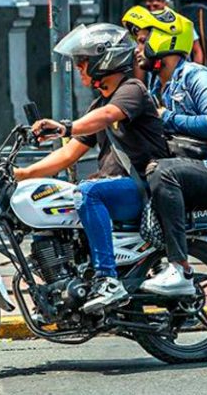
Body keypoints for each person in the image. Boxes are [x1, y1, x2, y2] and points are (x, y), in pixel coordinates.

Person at [13, 23, 169, 312]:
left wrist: (65, 127)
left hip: (141, 188)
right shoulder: (100, 103)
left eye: (82, 61)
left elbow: (108, 115)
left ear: (103, 61)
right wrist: (20, 174)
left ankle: (107, 279)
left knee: (88, 192)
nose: (78, 68)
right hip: (114, 188)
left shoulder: (132, 90)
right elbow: (69, 154)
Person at [121, 6, 207, 296]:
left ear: (166, 39)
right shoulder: (157, 85)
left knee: (162, 173)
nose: (137, 49)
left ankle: (179, 268)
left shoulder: (196, 76)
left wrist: (167, 117)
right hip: (189, 170)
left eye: (143, 40)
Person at [143, 0, 204, 65]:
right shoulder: (144, 26)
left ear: (165, 4)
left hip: (181, 69)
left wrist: (196, 70)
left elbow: (197, 51)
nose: (152, 10)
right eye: (148, 7)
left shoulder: (182, 23)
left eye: (156, 6)